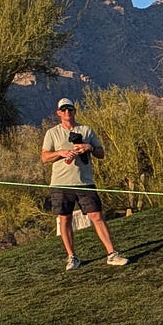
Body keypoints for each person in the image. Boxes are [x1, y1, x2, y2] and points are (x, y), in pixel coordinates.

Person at [40, 97, 128, 270]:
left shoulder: (86, 130)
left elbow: (101, 153)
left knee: (97, 216)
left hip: (85, 182)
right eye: (63, 109)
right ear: (58, 113)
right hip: (60, 184)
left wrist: (89, 148)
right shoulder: (52, 133)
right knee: (65, 219)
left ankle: (112, 254)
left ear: (74, 111)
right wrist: (61, 153)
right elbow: (44, 157)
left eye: (70, 109)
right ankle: (72, 257)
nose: (67, 112)